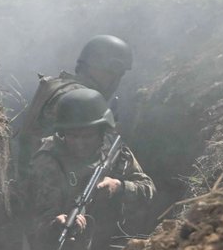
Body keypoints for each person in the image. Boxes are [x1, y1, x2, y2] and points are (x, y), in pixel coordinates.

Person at [24, 88, 154, 250]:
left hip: (110, 247)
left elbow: (148, 188)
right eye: (73, 136)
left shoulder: (113, 150)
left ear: (102, 131)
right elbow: (31, 220)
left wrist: (119, 186)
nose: (80, 143)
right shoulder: (48, 162)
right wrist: (55, 224)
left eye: (88, 136)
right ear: (62, 133)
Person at [15, 35, 134, 179]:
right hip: (44, 182)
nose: (115, 81)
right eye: (112, 73)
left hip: (33, 177)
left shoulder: (63, 87)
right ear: (93, 68)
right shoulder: (78, 97)